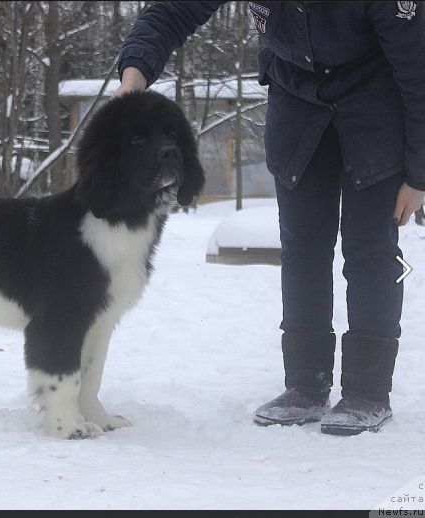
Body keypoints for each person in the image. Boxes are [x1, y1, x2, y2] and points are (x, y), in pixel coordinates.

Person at [114, 1, 425, 435]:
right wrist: (133, 79)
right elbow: (170, 13)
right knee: (302, 247)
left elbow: (417, 67)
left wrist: (419, 173)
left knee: (370, 250)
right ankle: (305, 385)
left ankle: (367, 392)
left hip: (375, 108)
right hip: (297, 106)